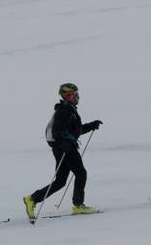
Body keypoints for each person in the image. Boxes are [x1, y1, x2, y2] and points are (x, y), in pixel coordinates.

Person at [22, 83, 103, 221]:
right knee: (81, 173)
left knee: (60, 181)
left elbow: (75, 131)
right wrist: (65, 145)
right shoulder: (64, 111)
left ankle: (32, 199)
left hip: (62, 148)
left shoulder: (69, 110)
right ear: (67, 96)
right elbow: (57, 132)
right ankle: (78, 205)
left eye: (77, 94)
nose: (78, 97)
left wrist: (91, 125)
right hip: (66, 148)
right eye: (75, 94)